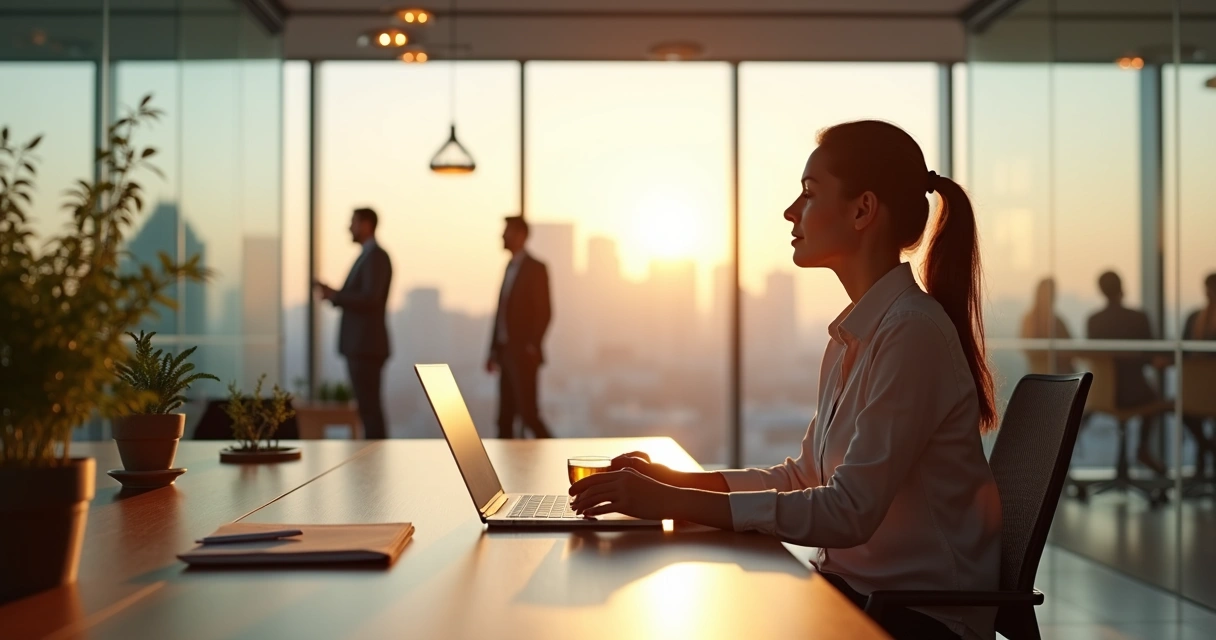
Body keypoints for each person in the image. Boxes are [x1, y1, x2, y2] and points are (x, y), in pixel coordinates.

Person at [571, 121, 1000, 640]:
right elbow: (804, 477)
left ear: (863, 210)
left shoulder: (912, 334)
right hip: (858, 597)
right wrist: (673, 482)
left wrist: (674, 502)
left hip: (913, 620)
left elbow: (848, 512)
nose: (791, 212)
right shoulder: (859, 334)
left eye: (809, 194)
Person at [313, 207, 392, 439]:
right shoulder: (368, 256)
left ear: (366, 225)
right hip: (362, 346)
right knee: (367, 408)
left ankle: (376, 461)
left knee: (370, 409)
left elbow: (370, 298)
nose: (349, 227)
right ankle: (375, 460)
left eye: (353, 222)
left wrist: (336, 295)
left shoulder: (376, 256)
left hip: (366, 346)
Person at [1085, 271, 1165, 474]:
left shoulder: (1093, 321)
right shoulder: (1138, 318)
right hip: (1135, 394)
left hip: (1102, 394)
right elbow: (1151, 357)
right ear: (1122, 287)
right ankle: (1143, 448)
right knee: (1159, 400)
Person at [485, 215, 553, 439]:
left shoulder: (536, 268)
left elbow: (544, 311)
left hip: (523, 354)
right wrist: (493, 351)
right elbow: (501, 312)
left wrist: (531, 346)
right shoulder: (509, 267)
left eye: (507, 231)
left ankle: (559, 459)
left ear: (521, 236)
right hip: (506, 352)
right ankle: (502, 470)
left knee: (528, 414)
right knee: (504, 417)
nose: (502, 236)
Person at [1020, 277, 1076, 374]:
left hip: (1055, 373)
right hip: (1048, 374)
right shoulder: (1033, 320)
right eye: (1051, 293)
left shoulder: (1056, 320)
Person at [1183, 272, 1216, 340]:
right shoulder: (1194, 317)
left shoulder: (1194, 317)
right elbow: (1185, 344)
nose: (1210, 292)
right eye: (1209, 288)